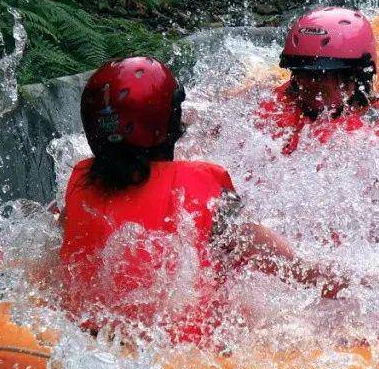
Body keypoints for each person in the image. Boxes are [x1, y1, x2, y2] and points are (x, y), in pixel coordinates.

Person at [60, 56, 340, 348]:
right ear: (167, 123)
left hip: (88, 349)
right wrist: (366, 284)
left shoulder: (79, 187)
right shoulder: (206, 196)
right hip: (181, 366)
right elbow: (297, 270)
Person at [256, 7, 379, 155]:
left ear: (356, 76)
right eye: (303, 73)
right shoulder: (277, 106)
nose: (309, 83)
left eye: (322, 74)